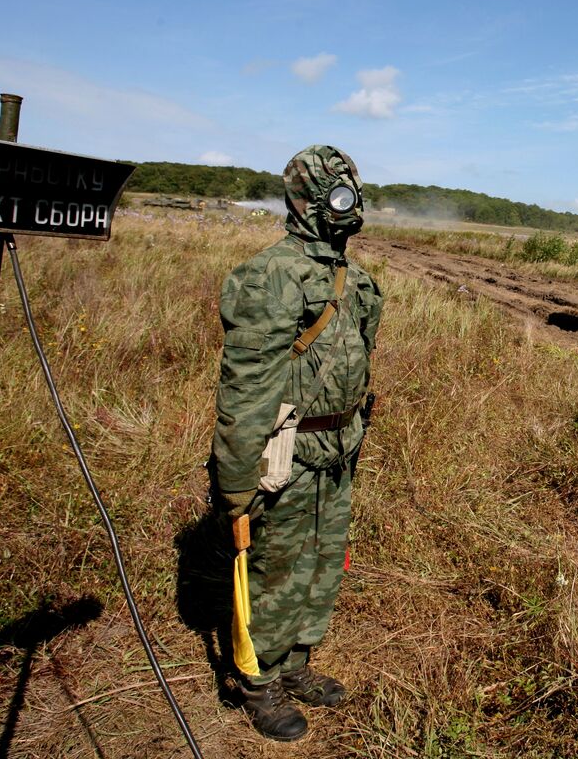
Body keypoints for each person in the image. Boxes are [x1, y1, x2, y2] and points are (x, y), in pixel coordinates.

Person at [210, 145, 383, 741]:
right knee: (275, 567)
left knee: (319, 561)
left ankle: (296, 662)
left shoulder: (353, 278)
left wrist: (355, 429)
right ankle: (257, 681)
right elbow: (247, 388)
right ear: (303, 201)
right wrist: (236, 480)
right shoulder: (271, 274)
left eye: (350, 190)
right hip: (283, 447)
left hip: (338, 444)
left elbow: (360, 356)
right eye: (333, 192)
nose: (347, 203)